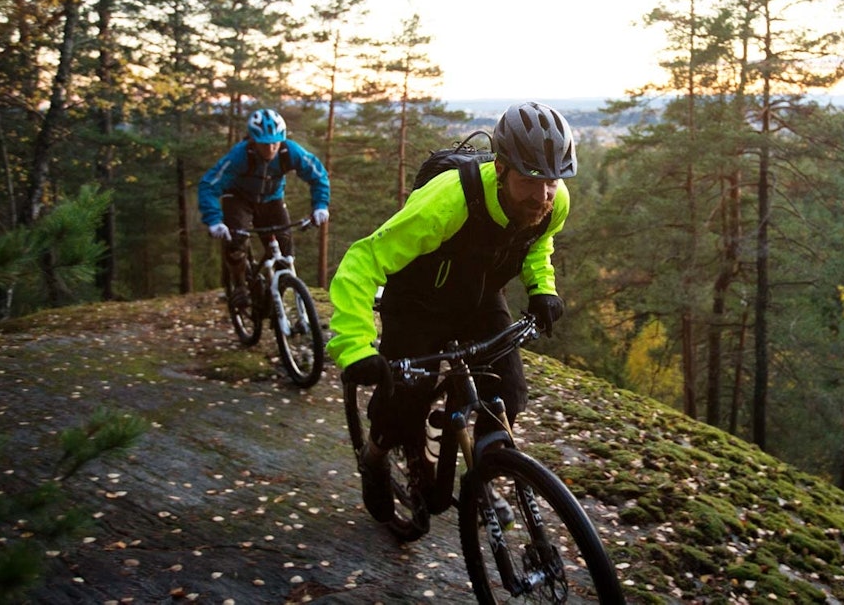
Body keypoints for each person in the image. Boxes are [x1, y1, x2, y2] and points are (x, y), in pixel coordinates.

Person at [326, 101, 575, 532]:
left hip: (479, 300)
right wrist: (353, 346)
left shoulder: (555, 203)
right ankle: (376, 456)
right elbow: (362, 260)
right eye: (530, 180)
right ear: (500, 168)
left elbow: (537, 244)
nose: (543, 195)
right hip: (418, 300)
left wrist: (543, 289)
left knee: (509, 394)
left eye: (551, 180)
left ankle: (484, 475)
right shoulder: (448, 201)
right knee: (404, 403)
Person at [199, 108, 331, 309]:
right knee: (235, 241)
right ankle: (240, 286)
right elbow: (209, 184)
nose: (270, 148)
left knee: (285, 248)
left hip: (272, 199)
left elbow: (318, 175)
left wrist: (320, 206)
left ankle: (277, 292)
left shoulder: (290, 151)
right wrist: (214, 220)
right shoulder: (240, 155)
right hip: (238, 198)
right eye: (264, 144)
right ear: (253, 141)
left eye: (275, 143)